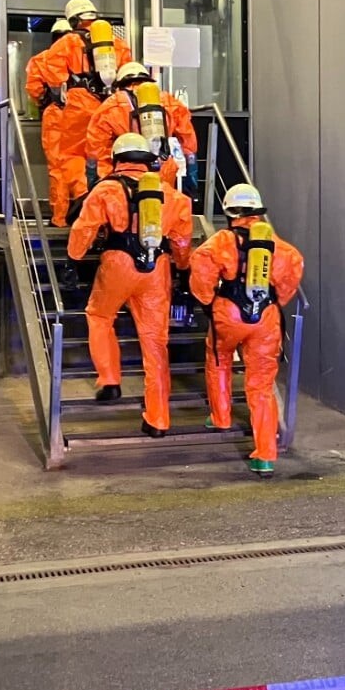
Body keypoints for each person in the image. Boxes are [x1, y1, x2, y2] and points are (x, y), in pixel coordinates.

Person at [67, 132, 193, 438]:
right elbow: (182, 241)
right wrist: (182, 268)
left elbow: (84, 228)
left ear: (117, 158)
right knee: (155, 344)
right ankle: (158, 420)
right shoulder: (170, 194)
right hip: (156, 269)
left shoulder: (106, 189)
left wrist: (73, 258)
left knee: (99, 316)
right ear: (147, 160)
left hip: (118, 263)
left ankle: (110, 379)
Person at [190, 183, 305, 475]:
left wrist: (208, 301)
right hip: (265, 317)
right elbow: (293, 269)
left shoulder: (222, 241)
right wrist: (275, 301)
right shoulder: (278, 246)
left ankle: (221, 417)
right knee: (262, 385)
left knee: (219, 360)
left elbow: (200, 268)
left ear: (230, 213)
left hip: (228, 313)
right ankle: (265, 455)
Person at [37, 0, 133, 199]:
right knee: (105, 154)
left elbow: (52, 75)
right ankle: (108, 198)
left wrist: (57, 97)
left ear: (73, 20)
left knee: (73, 155)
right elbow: (127, 78)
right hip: (111, 105)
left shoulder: (67, 43)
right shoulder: (118, 44)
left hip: (79, 105)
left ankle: (84, 198)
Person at [85, 61, 199, 194]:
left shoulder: (111, 104)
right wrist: (192, 173)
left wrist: (94, 178)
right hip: (163, 168)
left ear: (120, 83)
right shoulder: (170, 101)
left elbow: (95, 146)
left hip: (127, 171)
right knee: (163, 203)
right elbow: (188, 141)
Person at [25, 17, 74, 227]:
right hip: (83, 116)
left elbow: (34, 89)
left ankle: (60, 217)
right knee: (83, 166)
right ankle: (83, 214)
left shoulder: (41, 59)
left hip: (56, 116)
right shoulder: (84, 58)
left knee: (57, 168)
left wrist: (45, 102)